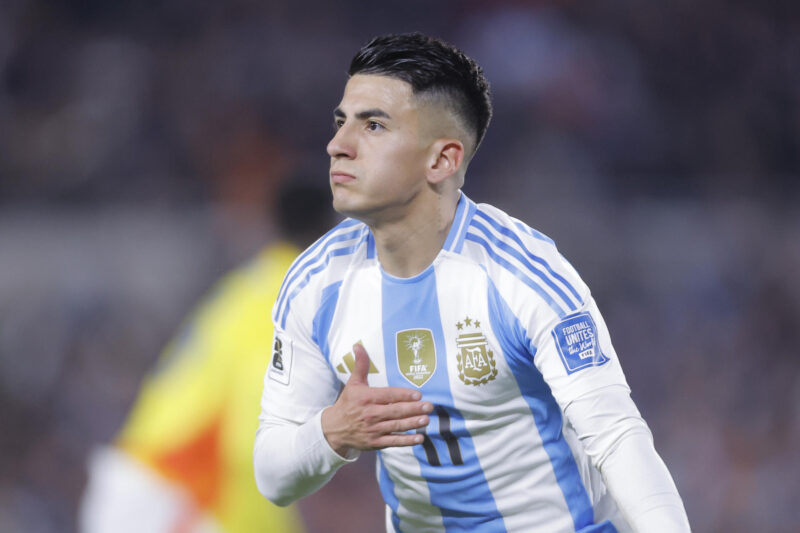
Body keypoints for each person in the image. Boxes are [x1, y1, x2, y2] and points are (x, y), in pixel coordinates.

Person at [254, 33, 691, 533]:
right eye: (341, 122)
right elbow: (273, 474)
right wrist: (334, 431)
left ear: (442, 160)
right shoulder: (315, 283)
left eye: (373, 125)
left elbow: (616, 436)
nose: (338, 146)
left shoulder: (520, 276)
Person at [80, 180, 334, 533]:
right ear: (332, 231)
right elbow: (252, 440)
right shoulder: (292, 301)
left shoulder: (249, 287)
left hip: (154, 486)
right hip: (177, 493)